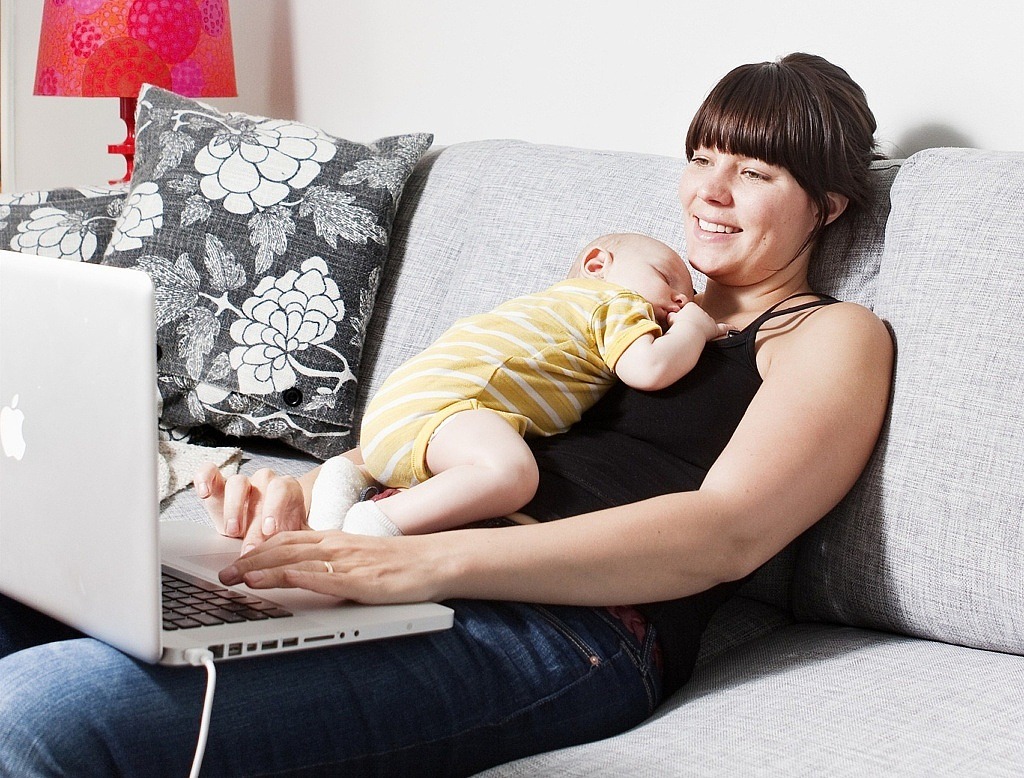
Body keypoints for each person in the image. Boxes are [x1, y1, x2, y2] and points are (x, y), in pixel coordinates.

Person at [0, 52, 894, 776]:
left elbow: (724, 533)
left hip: (575, 625)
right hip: (418, 560)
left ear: (829, 205)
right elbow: (464, 408)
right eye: (702, 158)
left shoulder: (830, 333)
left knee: (45, 716)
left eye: (755, 171)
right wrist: (319, 512)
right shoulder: (632, 294)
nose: (709, 191)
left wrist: (413, 560)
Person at [304, 231, 728, 538]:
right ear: (599, 266)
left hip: (396, 412)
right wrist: (694, 328)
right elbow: (649, 370)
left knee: (468, 474)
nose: (681, 299)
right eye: (668, 278)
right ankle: (376, 527)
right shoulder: (614, 302)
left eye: (688, 297)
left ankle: (342, 489)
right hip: (443, 409)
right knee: (511, 474)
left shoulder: (549, 308)